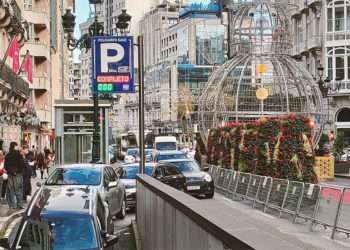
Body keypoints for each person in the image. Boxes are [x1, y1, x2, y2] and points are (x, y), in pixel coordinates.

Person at [4, 142, 25, 209]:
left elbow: (5, 166)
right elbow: (21, 164)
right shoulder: (19, 155)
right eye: (17, 146)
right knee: (18, 189)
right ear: (15, 146)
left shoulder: (7, 155)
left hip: (10, 174)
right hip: (18, 174)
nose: (18, 147)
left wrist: (11, 171)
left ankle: (12, 205)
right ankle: (19, 204)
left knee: (11, 190)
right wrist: (18, 171)